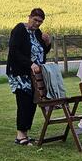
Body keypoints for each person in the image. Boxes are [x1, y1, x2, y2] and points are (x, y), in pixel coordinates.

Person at [6, 8, 52, 145]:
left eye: (40, 21)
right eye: (35, 20)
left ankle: (25, 133)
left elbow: (42, 51)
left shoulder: (37, 33)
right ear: (29, 17)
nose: (37, 23)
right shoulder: (20, 29)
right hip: (20, 72)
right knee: (23, 101)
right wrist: (30, 63)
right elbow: (14, 51)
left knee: (32, 101)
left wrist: (48, 43)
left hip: (34, 74)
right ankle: (20, 135)